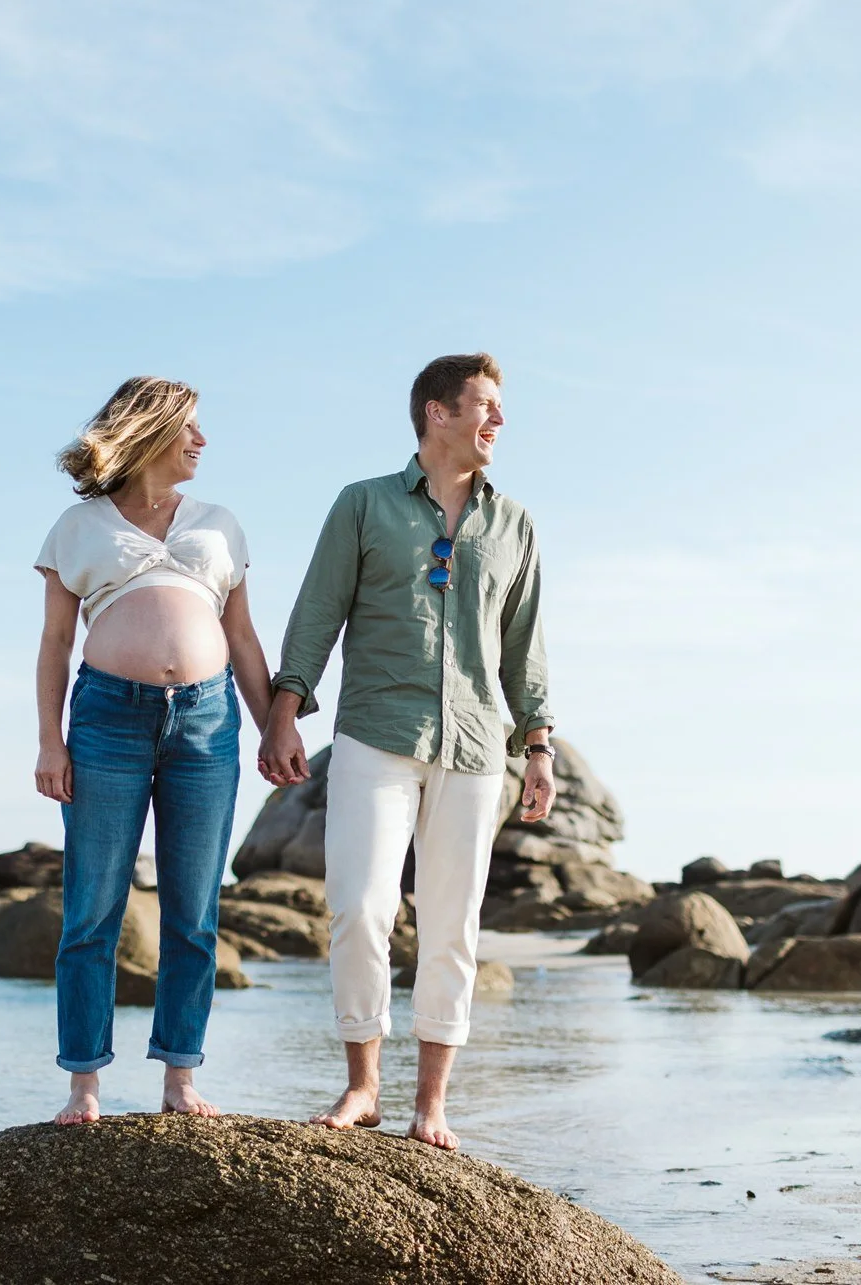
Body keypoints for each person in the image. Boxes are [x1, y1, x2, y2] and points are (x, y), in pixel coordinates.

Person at [258, 351, 555, 1151]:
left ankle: (432, 1104)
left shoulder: (515, 522)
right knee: (359, 906)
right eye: (484, 406)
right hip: (374, 732)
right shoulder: (362, 505)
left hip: (474, 747)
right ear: (437, 413)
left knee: (453, 922)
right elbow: (317, 610)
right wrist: (285, 713)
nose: (497, 421)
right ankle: (363, 1085)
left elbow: (523, 644)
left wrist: (538, 744)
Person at [33, 377, 274, 1126]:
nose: (202, 441)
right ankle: (84, 1084)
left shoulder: (219, 523)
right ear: (151, 430)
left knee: (194, 910)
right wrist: (49, 739)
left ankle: (179, 1075)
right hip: (106, 720)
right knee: (91, 910)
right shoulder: (79, 525)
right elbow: (54, 642)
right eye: (190, 428)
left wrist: (278, 728)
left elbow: (240, 636)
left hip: (207, 725)